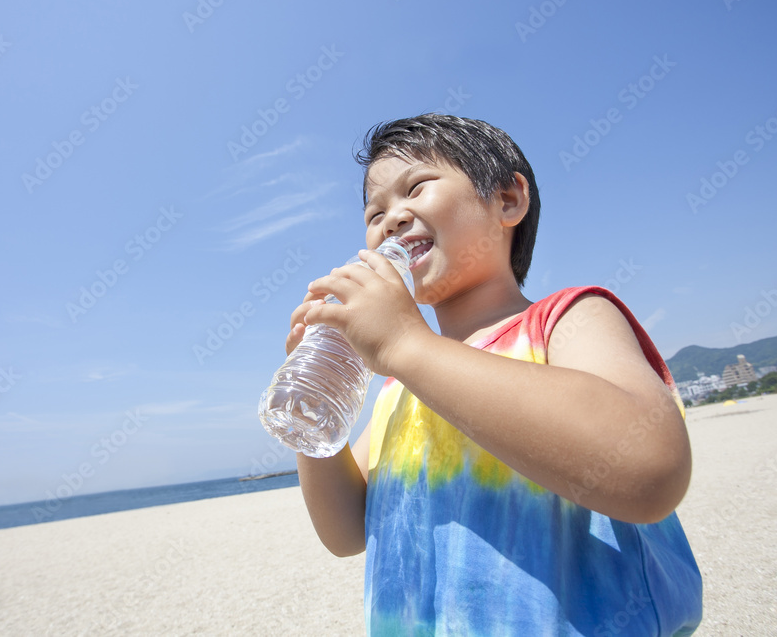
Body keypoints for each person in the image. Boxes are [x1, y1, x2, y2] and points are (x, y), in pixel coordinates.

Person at [284, 114, 702, 635]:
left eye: (415, 188)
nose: (390, 220)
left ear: (506, 200)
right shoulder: (401, 385)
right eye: (375, 213)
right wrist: (315, 410)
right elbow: (346, 530)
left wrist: (404, 343)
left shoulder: (565, 320)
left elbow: (649, 470)